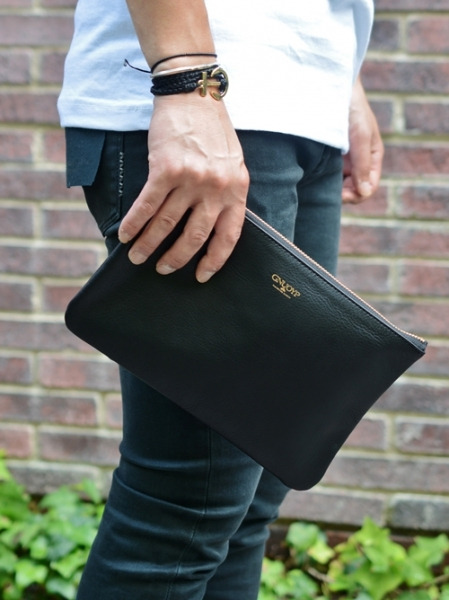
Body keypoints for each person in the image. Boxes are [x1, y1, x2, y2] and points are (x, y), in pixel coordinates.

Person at [58, 1, 384, 598]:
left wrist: (344, 81)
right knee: (183, 511)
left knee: (250, 502)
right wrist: (185, 78)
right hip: (203, 96)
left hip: (301, 106)